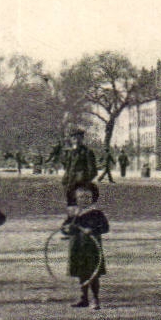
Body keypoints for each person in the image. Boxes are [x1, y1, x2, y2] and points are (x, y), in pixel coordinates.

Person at [60, 182, 109, 310]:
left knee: (93, 274)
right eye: (81, 197)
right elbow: (65, 229)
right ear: (75, 198)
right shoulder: (74, 214)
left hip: (92, 249)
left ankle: (95, 298)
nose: (84, 200)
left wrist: (92, 230)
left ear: (93, 198)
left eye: (88, 197)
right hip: (78, 248)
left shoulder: (97, 213)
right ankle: (84, 298)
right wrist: (67, 228)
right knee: (82, 273)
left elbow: (105, 228)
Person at [60, 129, 99, 204]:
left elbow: (93, 171)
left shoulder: (88, 152)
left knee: (83, 210)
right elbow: (68, 169)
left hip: (82, 187)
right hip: (70, 185)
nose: (76, 141)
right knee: (72, 210)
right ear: (71, 140)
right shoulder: (70, 153)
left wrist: (84, 182)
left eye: (79, 138)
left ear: (82, 139)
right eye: (74, 138)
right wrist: (65, 180)